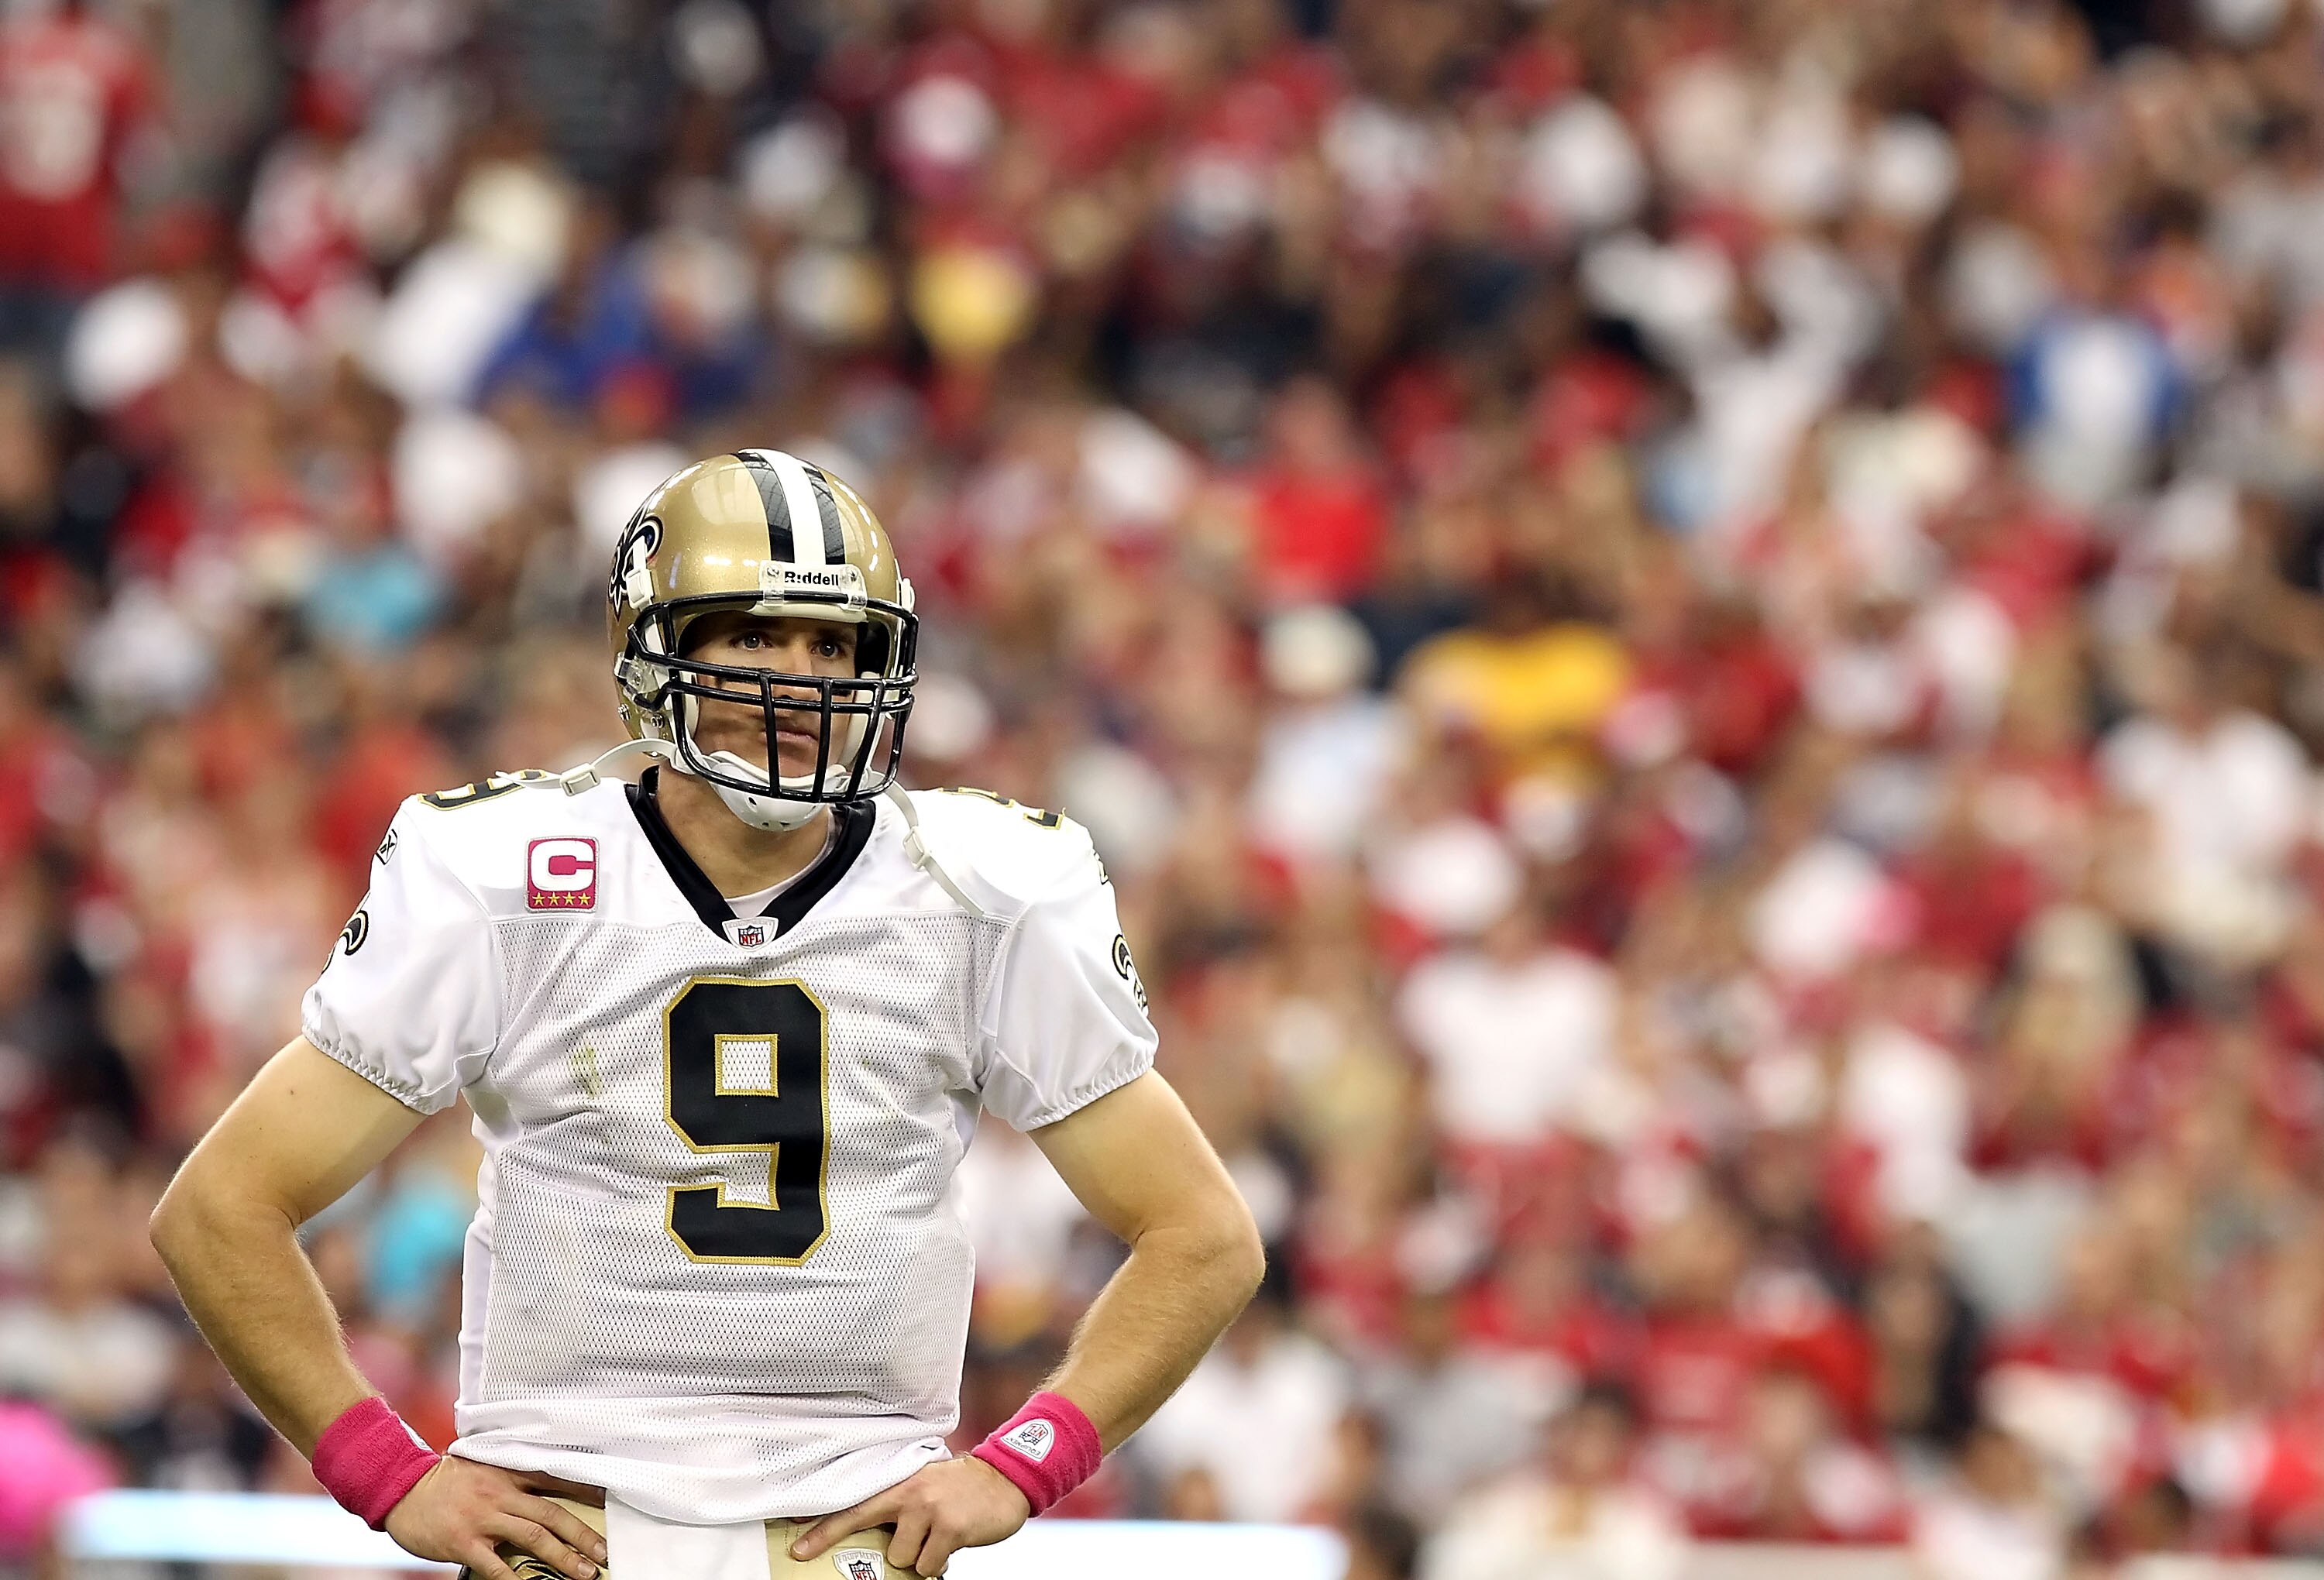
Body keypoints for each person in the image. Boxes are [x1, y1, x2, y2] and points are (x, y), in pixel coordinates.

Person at [147, 448, 1267, 1580]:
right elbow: (221, 1209)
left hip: (850, 1534)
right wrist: (389, 1477)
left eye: (835, 644)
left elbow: (1203, 1238)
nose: (802, 677)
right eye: (753, 635)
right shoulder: (509, 873)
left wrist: (1022, 1465)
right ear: (655, 648)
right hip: (567, 1527)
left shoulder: (980, 887)